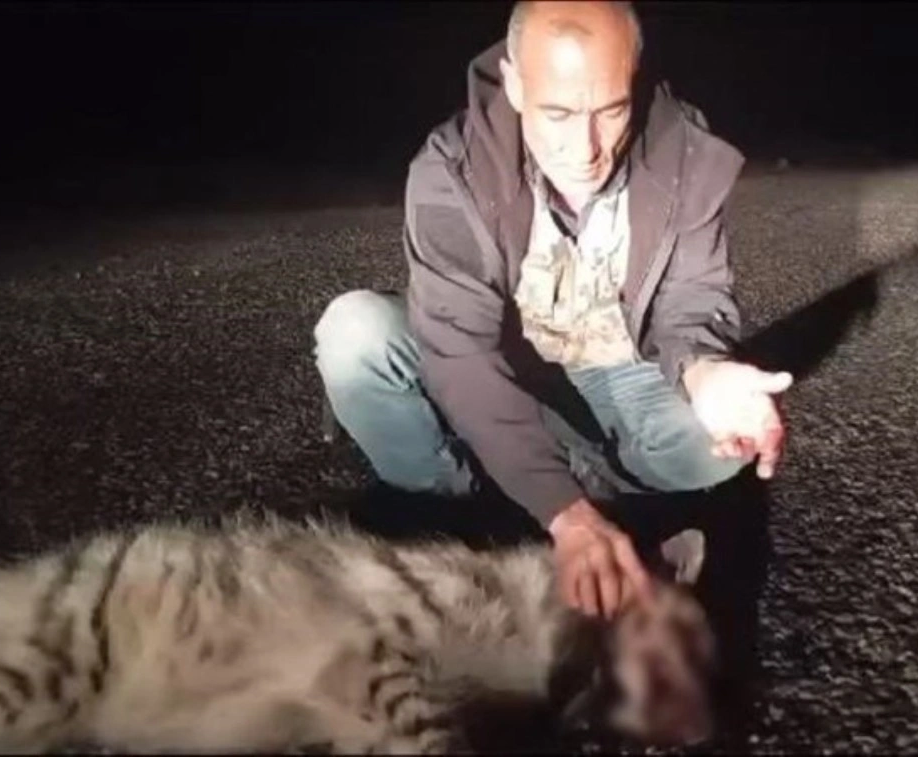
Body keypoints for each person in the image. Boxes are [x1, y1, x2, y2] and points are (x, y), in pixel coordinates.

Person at [314, 1, 791, 619]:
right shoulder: (450, 169)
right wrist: (568, 517)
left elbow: (691, 299)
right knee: (354, 334)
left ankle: (526, 470)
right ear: (515, 84)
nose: (585, 148)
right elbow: (461, 353)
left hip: (616, 368)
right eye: (558, 114)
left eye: (610, 111)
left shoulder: (684, 152)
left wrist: (706, 371)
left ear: (634, 80)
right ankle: (459, 503)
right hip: (502, 363)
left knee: (722, 442)